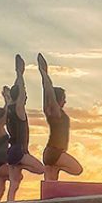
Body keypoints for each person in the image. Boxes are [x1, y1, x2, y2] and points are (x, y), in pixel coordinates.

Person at [5, 54, 46, 201]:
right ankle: (22, 164)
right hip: (19, 151)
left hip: (11, 153)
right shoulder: (18, 110)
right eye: (24, 95)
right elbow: (20, 91)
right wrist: (20, 73)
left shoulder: (9, 107)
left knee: (14, 183)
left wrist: (18, 75)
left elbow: (16, 91)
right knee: (42, 169)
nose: (26, 96)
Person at [37, 53, 85, 181]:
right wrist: (44, 73)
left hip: (51, 153)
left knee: (51, 185)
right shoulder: (55, 112)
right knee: (77, 169)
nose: (65, 102)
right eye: (64, 99)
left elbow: (46, 92)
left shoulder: (50, 112)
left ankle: (54, 168)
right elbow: (48, 89)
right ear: (58, 100)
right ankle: (56, 166)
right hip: (55, 153)